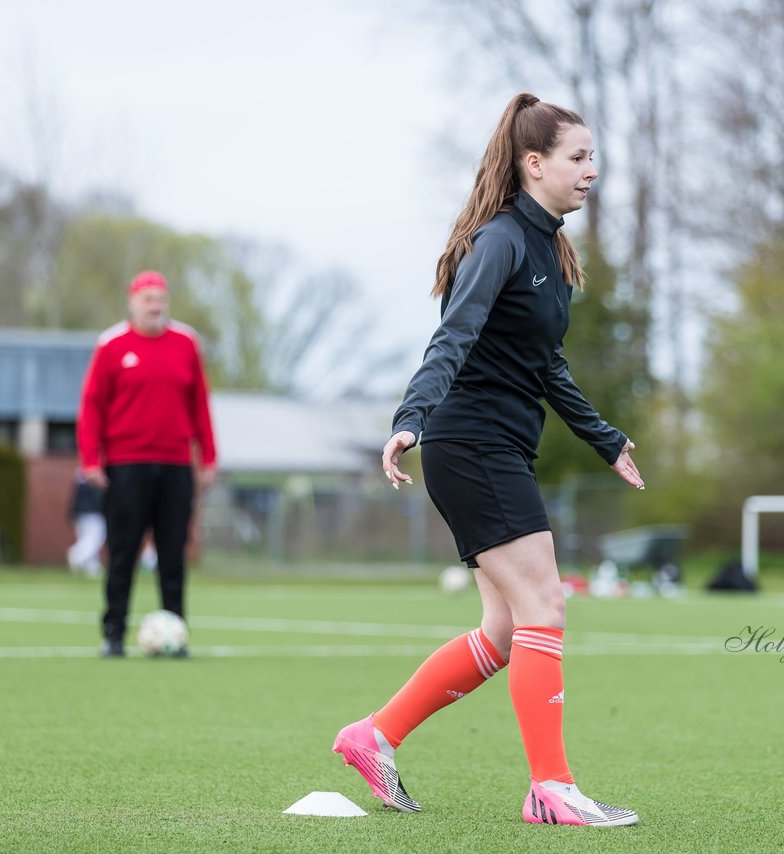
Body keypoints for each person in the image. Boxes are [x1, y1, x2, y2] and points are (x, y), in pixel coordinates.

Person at [332, 94, 643, 827]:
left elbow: (545, 366)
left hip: (498, 447)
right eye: (578, 157)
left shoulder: (550, 248)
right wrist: (410, 420)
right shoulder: (501, 240)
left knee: (506, 632)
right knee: (546, 606)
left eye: (594, 156)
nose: (591, 170)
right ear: (534, 164)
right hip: (469, 445)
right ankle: (551, 789)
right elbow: (454, 335)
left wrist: (605, 438)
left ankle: (372, 737)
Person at [76, 270, 217, 658]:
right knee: (123, 552)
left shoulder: (186, 343)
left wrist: (207, 457)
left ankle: (175, 633)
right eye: (148, 299)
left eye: (160, 299)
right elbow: (91, 407)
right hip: (126, 466)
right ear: (133, 301)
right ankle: (113, 633)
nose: (155, 306)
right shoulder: (111, 345)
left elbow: (200, 404)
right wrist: (90, 459)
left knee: (173, 554)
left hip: (174, 465)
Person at [66, 469, 106, 578]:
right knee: (94, 539)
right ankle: (76, 555)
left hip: (81, 514)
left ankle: (92, 566)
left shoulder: (80, 479)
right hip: (92, 514)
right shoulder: (92, 477)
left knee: (88, 538)